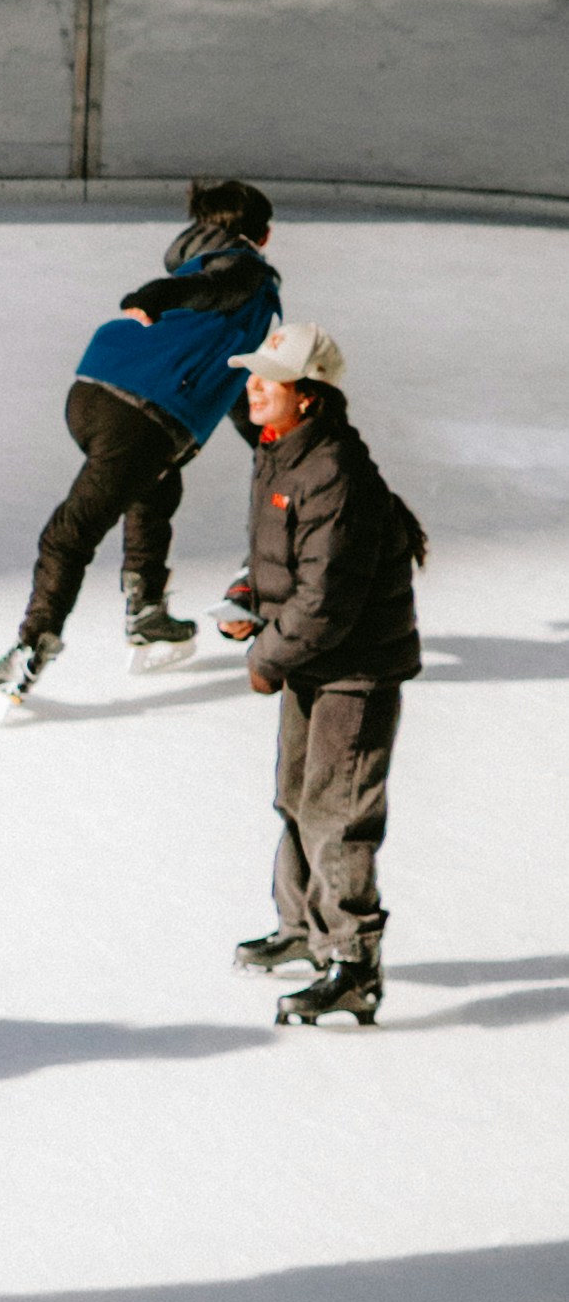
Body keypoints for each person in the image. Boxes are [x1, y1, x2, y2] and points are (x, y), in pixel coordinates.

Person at [0, 176, 282, 719]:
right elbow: (210, 289)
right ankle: (30, 648)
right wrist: (156, 296)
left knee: (157, 485)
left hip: (97, 391)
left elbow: (227, 377)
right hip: (142, 415)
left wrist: (265, 441)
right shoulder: (245, 272)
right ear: (265, 234)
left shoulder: (201, 266)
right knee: (72, 533)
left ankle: (148, 612)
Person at [217, 318, 424, 1030]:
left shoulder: (333, 470)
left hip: (354, 669)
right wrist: (246, 597)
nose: (251, 388)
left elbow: (327, 597)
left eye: (267, 380)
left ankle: (353, 966)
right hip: (313, 659)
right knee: (294, 797)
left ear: (308, 395)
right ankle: (303, 928)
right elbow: (280, 557)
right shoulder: (281, 454)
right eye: (251, 374)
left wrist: (266, 654)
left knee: (337, 814)